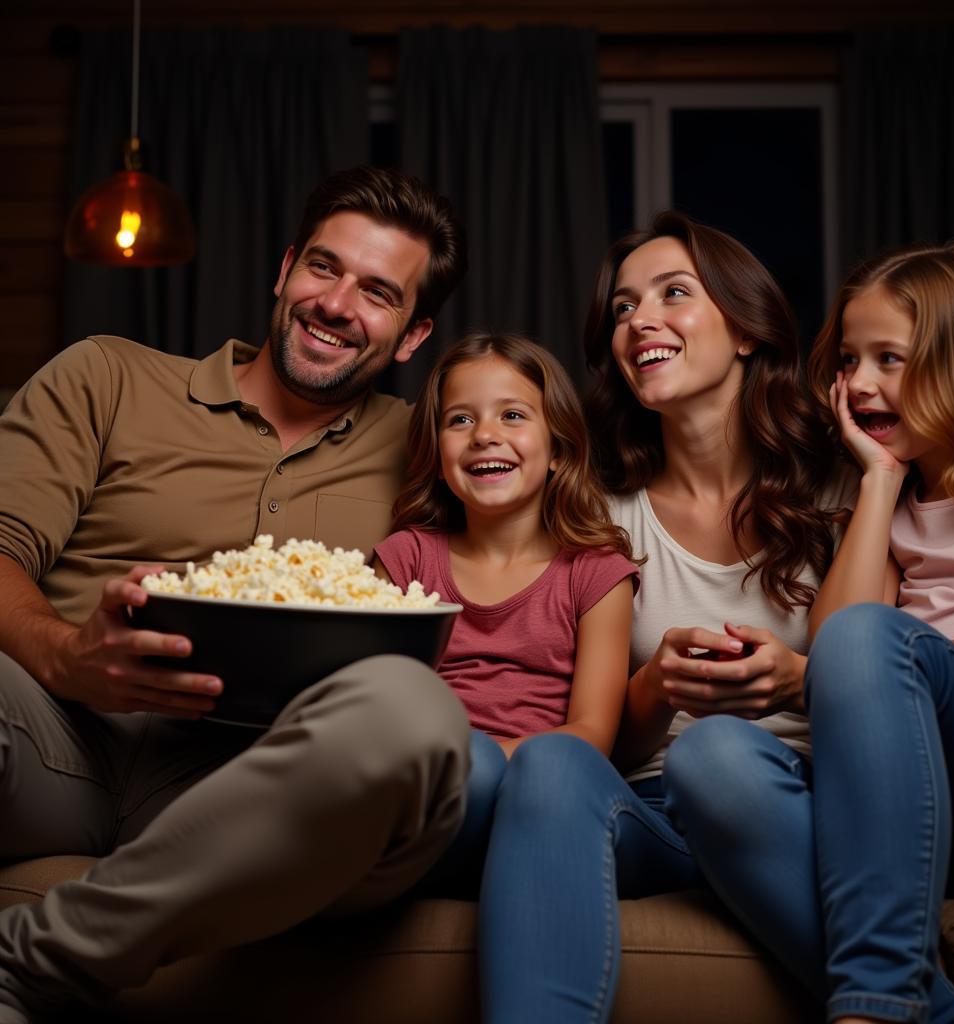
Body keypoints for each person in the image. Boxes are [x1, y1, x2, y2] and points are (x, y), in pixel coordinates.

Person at [0, 165, 470, 1022]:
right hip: (56, 737)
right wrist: (67, 658)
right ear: (286, 269)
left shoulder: (433, 448)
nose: (336, 303)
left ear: (412, 336)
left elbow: (575, 509)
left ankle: (31, 966)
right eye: (324, 268)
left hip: (263, 782)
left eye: (378, 293)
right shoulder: (108, 376)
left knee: (413, 711)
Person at [477, 211, 842, 1022]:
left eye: (673, 294)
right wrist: (658, 684)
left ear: (747, 328)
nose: (639, 320)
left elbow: (887, 700)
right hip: (647, 814)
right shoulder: (599, 515)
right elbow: (603, 735)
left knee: (720, 756)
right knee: (551, 763)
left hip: (794, 804)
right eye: (622, 308)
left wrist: (791, 683)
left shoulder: (842, 494)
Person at [670, 242, 954, 1024]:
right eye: (851, 360)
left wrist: (835, 669)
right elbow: (836, 641)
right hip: (902, 802)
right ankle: (926, 1012)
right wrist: (881, 479)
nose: (859, 384)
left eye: (889, 360)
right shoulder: (891, 503)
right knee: (708, 752)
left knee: (870, 637)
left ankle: (877, 1003)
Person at [373, 332, 639, 897]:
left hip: (543, 803)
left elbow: (592, 733)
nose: (485, 435)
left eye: (512, 415)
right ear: (438, 455)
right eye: (460, 421)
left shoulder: (596, 573)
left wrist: (481, 761)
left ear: (559, 449)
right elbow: (379, 710)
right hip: (433, 802)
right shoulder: (405, 560)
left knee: (512, 764)